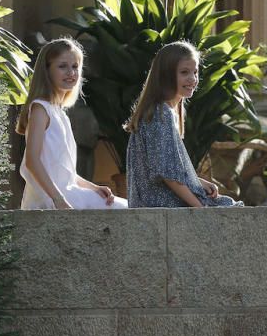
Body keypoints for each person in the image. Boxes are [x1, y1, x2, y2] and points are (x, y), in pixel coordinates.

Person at [124, 41, 241, 208]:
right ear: (166, 75)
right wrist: (201, 208)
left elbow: (170, 170)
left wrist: (198, 182)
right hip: (159, 204)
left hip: (164, 201)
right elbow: (168, 175)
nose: (192, 79)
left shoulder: (168, 111)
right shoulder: (159, 114)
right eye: (184, 72)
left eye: (195, 72)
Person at [17, 38, 126, 210]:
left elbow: (67, 175)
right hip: (51, 199)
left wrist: (94, 187)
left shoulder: (60, 113)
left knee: (125, 207)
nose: (71, 72)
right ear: (46, 71)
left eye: (75, 67)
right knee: (124, 210)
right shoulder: (40, 109)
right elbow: (32, 161)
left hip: (67, 193)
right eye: (62, 66)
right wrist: (57, 199)